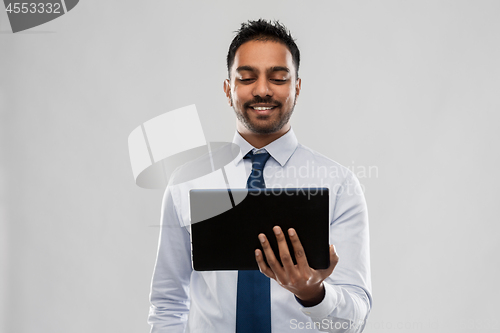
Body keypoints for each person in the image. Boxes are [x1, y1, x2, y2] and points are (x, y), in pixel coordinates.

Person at [148, 19, 372, 332]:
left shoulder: (339, 185)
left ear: (297, 87)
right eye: (247, 78)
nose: (263, 90)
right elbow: (168, 302)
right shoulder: (186, 182)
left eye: (278, 78)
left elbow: (354, 320)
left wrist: (313, 294)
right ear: (228, 89)